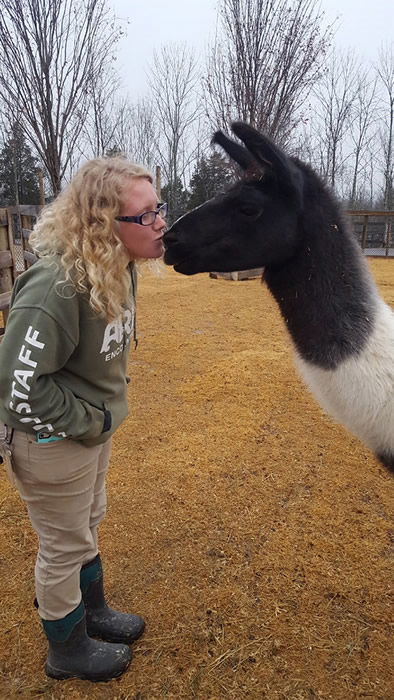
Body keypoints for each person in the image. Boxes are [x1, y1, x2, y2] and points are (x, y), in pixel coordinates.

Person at [0, 157, 167, 681]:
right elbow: (15, 386)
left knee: (86, 524)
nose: (161, 222)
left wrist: (98, 419)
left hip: (90, 429)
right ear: (103, 226)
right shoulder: (57, 287)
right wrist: (88, 419)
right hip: (52, 440)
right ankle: (66, 648)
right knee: (63, 545)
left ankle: (90, 612)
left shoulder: (116, 270)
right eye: (146, 216)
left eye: (159, 208)